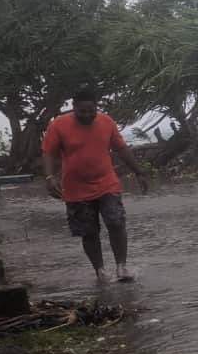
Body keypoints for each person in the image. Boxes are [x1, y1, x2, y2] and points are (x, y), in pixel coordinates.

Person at [42, 90, 149, 282]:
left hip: (106, 183)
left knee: (116, 222)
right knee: (89, 232)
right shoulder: (58, 124)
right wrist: (50, 177)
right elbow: (48, 152)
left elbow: (121, 148)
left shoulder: (106, 122)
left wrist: (139, 172)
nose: (87, 115)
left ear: (96, 108)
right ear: (74, 108)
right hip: (75, 188)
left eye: (91, 110)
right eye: (82, 111)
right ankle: (100, 272)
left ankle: (121, 268)